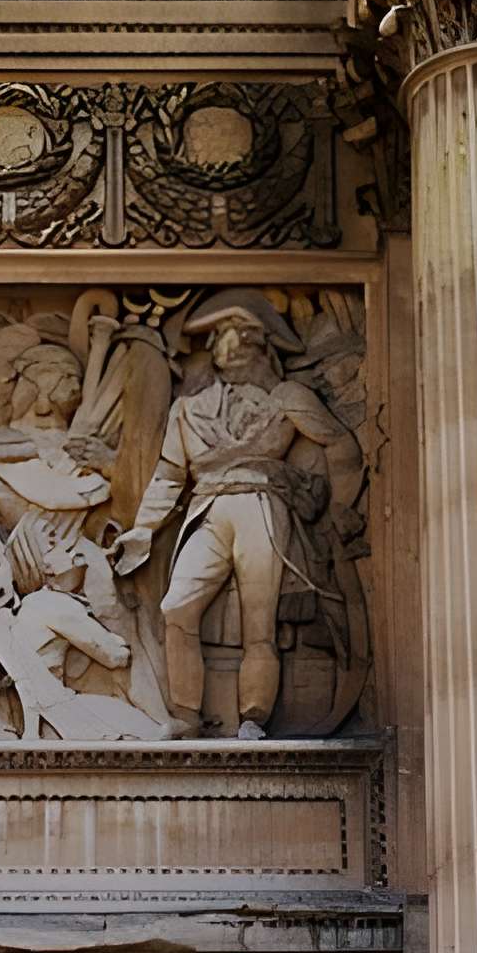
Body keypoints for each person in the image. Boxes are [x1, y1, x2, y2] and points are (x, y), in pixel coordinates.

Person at [111, 291, 343, 739]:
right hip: (209, 507)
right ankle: (186, 715)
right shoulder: (189, 409)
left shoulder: (286, 398)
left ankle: (254, 716)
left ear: (263, 345)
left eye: (242, 334)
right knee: (176, 606)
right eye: (224, 335)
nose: (232, 344)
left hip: (261, 502)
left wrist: (345, 509)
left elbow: (338, 444)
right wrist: (143, 530)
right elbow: (168, 476)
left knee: (260, 622)